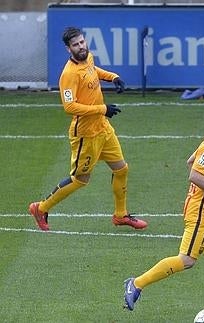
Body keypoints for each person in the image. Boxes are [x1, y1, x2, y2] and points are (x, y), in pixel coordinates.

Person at [123, 106, 204, 318]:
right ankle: (136, 283)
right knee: (187, 260)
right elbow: (194, 174)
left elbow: (192, 160)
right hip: (200, 212)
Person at [28, 26, 146, 231]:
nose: (81, 47)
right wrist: (103, 108)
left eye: (82, 42)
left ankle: (120, 215)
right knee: (80, 180)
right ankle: (41, 207)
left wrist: (112, 77)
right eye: (76, 45)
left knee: (121, 169)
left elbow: (94, 71)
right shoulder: (69, 74)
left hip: (103, 128)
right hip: (85, 135)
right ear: (68, 49)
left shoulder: (88, 58)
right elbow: (70, 106)